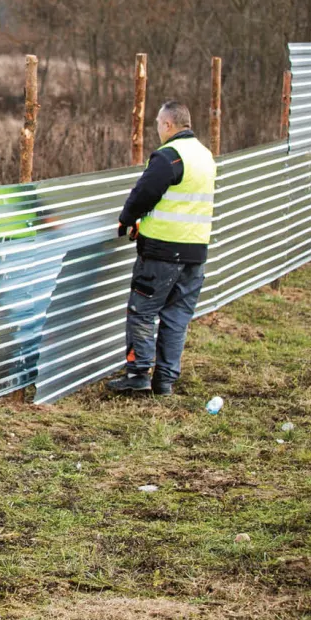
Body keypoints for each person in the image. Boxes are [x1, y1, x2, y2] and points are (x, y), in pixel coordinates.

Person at [106, 100, 215, 397]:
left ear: (168, 124)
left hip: (163, 253)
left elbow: (146, 192)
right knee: (177, 317)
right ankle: (164, 381)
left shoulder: (171, 157)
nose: (157, 129)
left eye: (157, 123)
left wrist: (127, 219)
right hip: (195, 252)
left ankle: (138, 373)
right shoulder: (205, 156)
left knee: (141, 312)